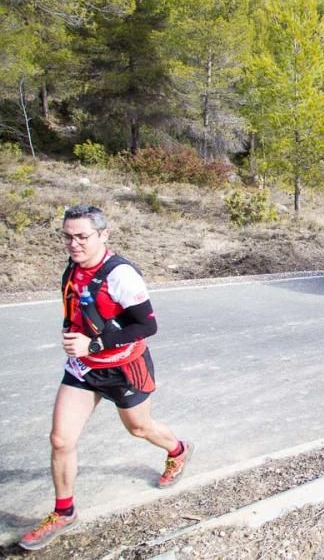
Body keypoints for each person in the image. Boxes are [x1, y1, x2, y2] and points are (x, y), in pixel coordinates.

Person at [19, 205, 192, 551]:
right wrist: (72, 335)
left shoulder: (121, 275)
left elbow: (147, 325)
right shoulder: (73, 266)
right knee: (60, 440)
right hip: (83, 369)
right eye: (67, 236)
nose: (74, 244)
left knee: (139, 429)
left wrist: (93, 342)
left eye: (82, 236)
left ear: (104, 234)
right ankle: (64, 511)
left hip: (123, 367)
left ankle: (178, 449)